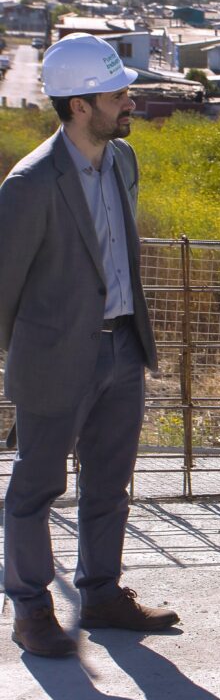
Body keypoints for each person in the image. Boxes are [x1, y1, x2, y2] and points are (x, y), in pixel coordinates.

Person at [0, 33, 179, 658]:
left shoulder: (123, 161)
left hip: (122, 350)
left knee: (110, 484)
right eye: (119, 93)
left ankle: (101, 594)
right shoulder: (29, 185)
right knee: (34, 490)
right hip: (54, 361)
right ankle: (30, 611)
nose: (131, 101)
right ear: (80, 105)